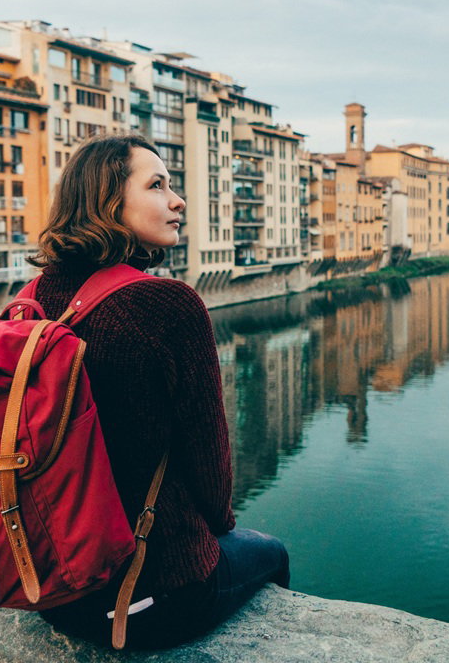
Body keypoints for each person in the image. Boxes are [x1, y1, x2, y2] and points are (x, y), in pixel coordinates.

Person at [30, 135, 289, 648]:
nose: (178, 201)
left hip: (54, 592)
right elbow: (210, 463)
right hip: (157, 595)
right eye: (157, 186)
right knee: (271, 552)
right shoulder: (166, 304)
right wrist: (215, 528)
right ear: (109, 202)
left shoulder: (31, 299)